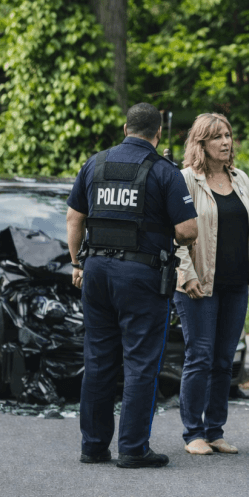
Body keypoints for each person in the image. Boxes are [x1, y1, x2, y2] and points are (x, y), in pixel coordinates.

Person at [66, 102, 198, 468]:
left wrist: (77, 263)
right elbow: (188, 231)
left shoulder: (96, 164)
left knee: (98, 360)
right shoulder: (163, 171)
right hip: (141, 277)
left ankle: (93, 447)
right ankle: (133, 449)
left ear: (125, 129)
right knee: (140, 363)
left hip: (96, 273)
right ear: (157, 135)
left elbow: (74, 216)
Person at [174, 113, 249, 456]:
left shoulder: (241, 179)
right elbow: (175, 236)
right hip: (199, 283)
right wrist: (186, 274)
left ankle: (215, 430)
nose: (225, 142)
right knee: (200, 356)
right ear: (201, 144)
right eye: (216, 137)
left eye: (228, 135)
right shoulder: (186, 181)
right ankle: (192, 432)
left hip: (236, 283)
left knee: (225, 359)